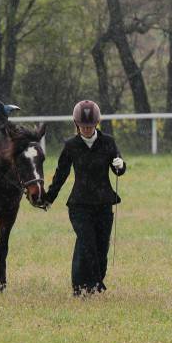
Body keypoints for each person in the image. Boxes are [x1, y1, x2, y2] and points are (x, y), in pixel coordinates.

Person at [43, 100, 126, 297]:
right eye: (83, 126)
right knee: (87, 243)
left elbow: (119, 170)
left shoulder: (108, 142)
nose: (87, 130)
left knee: (101, 248)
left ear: (96, 123)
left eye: (90, 126)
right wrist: (49, 197)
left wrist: (120, 165)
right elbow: (61, 174)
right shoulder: (71, 146)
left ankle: (93, 284)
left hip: (104, 204)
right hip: (79, 206)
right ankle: (84, 286)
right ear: (76, 124)